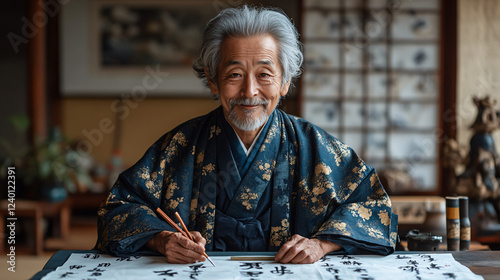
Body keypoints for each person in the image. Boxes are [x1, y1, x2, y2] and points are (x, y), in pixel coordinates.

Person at [96, 5, 398, 264]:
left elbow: (375, 208)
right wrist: (162, 240)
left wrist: (321, 244)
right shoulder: (180, 146)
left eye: (264, 74)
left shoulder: (314, 146)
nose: (249, 91)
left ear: (284, 82)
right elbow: (117, 210)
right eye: (234, 74)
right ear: (213, 82)